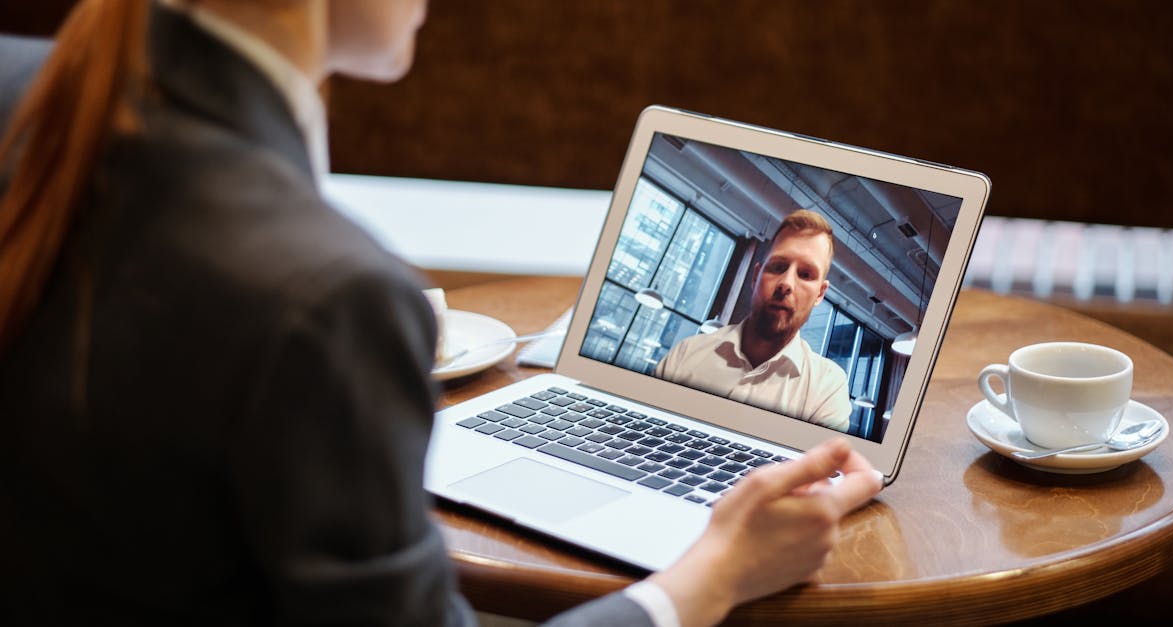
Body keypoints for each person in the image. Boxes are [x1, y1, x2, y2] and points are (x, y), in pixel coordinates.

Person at [0, 2, 881, 626]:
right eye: (779, 265)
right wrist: (711, 574)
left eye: (809, 275)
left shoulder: (21, 87)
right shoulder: (331, 297)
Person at [655, 210, 852, 433]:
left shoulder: (827, 388)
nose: (786, 283)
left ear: (820, 294)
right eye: (778, 267)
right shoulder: (686, 355)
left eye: (805, 274)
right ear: (755, 276)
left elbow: (817, 467)